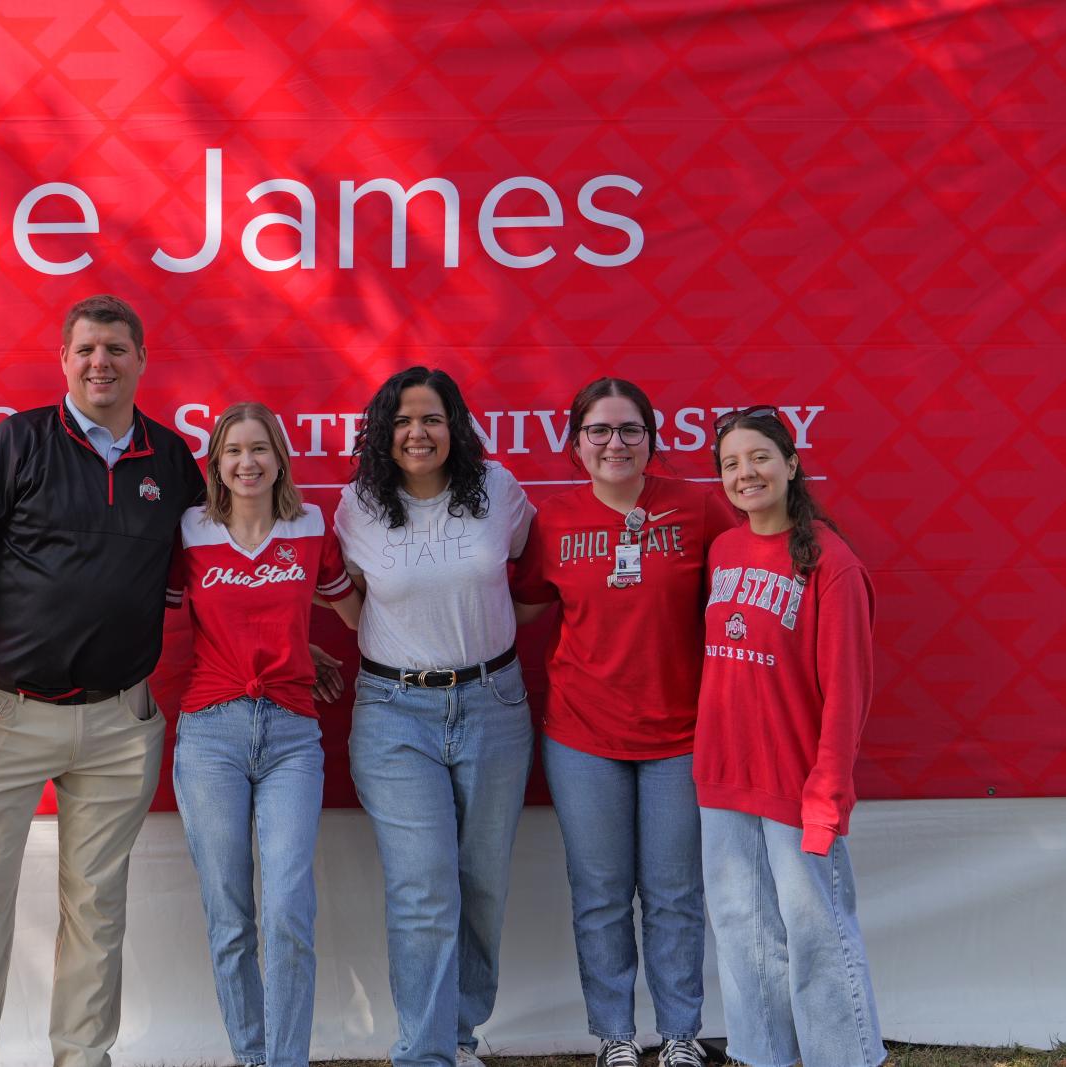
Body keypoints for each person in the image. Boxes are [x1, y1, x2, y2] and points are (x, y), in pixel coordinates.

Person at [0, 294, 204, 1067]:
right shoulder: (20, 442)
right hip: (8, 712)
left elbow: (217, 567)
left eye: (115, 348)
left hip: (117, 725)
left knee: (96, 908)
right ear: (64, 362)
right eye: (85, 350)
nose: (100, 362)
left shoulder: (172, 461)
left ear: (142, 359)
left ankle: (82, 1056)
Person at [513, 378, 736, 1067]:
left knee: (674, 891)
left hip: (679, 733)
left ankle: (679, 1034)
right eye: (600, 431)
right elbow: (519, 612)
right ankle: (614, 1033)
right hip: (582, 734)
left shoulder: (698, 507)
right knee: (602, 891)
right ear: (576, 444)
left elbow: (751, 575)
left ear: (652, 439)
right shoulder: (553, 519)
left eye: (630, 430)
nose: (616, 443)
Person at [333, 366, 537, 1067]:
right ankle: (423, 1054)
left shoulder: (500, 492)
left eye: (431, 418)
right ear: (382, 433)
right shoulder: (357, 503)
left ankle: (458, 1035)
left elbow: (532, 582)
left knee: (480, 882)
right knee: (423, 884)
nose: (416, 432)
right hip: (395, 714)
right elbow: (353, 595)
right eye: (401, 420)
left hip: (493, 705)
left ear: (456, 427)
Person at [166, 401, 361, 1067]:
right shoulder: (191, 529)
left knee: (285, 907)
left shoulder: (309, 526)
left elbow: (358, 611)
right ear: (216, 465)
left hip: (290, 733)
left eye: (259, 448)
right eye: (233, 451)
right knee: (229, 915)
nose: (247, 462)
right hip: (211, 732)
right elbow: (153, 608)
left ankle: (285, 1060)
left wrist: (303, 646)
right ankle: (251, 1056)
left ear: (280, 458)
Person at [697, 406, 885, 1067]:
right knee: (744, 938)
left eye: (759, 457)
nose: (745, 472)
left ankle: (848, 1057)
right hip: (723, 780)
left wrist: (827, 792)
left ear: (791, 463)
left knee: (818, 940)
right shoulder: (723, 549)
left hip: (797, 786)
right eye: (730, 463)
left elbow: (847, 694)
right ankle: (762, 1056)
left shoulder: (833, 564)